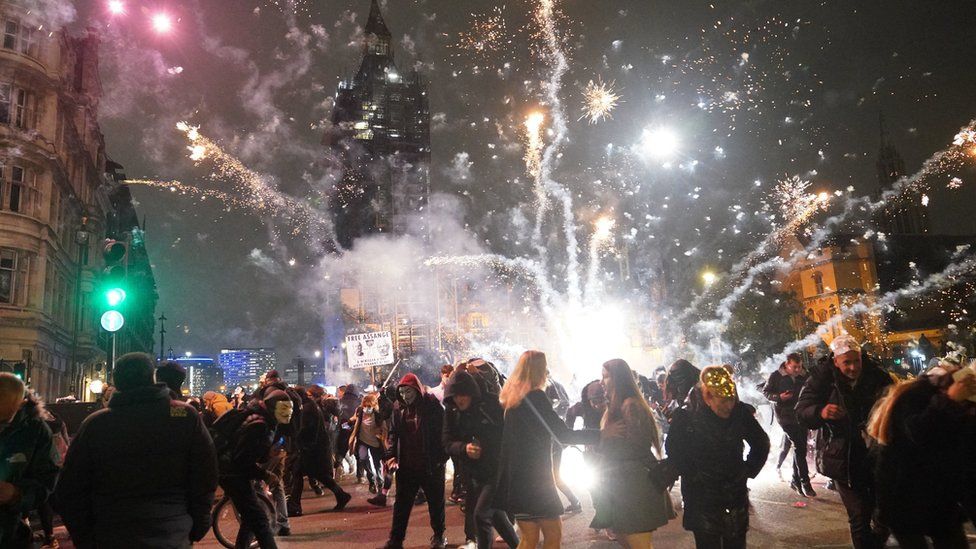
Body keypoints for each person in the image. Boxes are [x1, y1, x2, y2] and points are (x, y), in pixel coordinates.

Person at [56, 353, 217, 549]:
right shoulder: (184, 415)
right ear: (152, 377)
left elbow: (70, 488)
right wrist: (197, 524)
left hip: (111, 532)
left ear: (117, 381)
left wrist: (85, 536)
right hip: (173, 531)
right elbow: (205, 474)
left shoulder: (97, 424)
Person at [493, 350, 600, 549]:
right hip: (536, 479)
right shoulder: (535, 397)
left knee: (529, 538)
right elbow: (562, 434)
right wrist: (602, 434)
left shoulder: (512, 399)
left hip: (516, 479)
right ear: (539, 371)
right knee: (553, 534)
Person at [866, 361, 976, 548]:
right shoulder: (913, 399)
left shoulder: (960, 408)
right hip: (903, 503)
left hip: (940, 502)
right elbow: (918, 433)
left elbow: (966, 466)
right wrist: (949, 402)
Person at [796, 335, 892, 549]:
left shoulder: (876, 375)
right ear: (835, 361)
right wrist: (821, 411)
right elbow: (802, 410)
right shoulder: (822, 378)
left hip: (876, 454)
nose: (852, 367)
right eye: (846, 362)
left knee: (885, 512)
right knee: (859, 515)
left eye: (856, 361)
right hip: (843, 456)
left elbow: (895, 401)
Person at [666, 365, 770, 549]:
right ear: (707, 397)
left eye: (730, 400)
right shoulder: (685, 417)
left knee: (736, 543)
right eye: (722, 401)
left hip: (734, 494)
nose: (728, 406)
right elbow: (674, 451)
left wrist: (747, 470)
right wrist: (694, 473)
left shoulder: (739, 413)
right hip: (701, 497)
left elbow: (761, 443)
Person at [591, 359, 672, 548]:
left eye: (606, 376)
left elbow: (638, 446)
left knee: (638, 544)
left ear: (618, 379)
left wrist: (604, 442)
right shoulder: (616, 406)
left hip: (635, 486)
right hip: (621, 486)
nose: (602, 382)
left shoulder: (631, 405)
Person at [443, 369, 520, 549]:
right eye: (455, 395)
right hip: (473, 473)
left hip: (497, 469)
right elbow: (446, 442)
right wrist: (464, 448)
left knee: (481, 515)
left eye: (462, 394)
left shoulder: (491, 404)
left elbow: (507, 433)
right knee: (496, 516)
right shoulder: (451, 411)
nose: (459, 399)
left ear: (471, 392)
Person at [211, 388, 295, 549]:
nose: (288, 414)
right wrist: (265, 474)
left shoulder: (261, 419)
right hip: (233, 474)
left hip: (230, 471)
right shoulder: (259, 425)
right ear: (274, 408)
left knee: (252, 519)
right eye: (284, 409)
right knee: (260, 521)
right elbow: (242, 460)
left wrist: (267, 455)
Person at [382, 373, 448, 549]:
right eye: (401, 392)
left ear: (417, 390)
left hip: (430, 465)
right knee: (401, 504)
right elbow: (393, 434)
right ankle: (396, 539)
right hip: (406, 465)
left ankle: (439, 536)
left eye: (408, 392)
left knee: (436, 503)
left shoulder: (433, 406)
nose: (404, 396)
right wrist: (391, 456)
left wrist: (441, 458)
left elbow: (444, 433)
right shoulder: (398, 408)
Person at [0, 374, 58, 548]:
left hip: (8, 532)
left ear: (21, 405)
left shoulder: (36, 432)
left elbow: (46, 480)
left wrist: (16, 493)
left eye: (3, 421)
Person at [287, 387, 351, 517]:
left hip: (310, 449)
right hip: (315, 448)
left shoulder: (307, 409)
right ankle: (341, 495)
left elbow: (306, 430)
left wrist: (299, 442)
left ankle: (294, 506)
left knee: (298, 473)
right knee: (319, 475)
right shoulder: (311, 406)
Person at [762, 353, 814, 497]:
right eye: (794, 367)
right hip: (785, 417)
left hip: (801, 415)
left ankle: (795, 480)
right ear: (787, 365)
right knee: (799, 446)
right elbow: (765, 392)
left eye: (799, 366)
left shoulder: (805, 375)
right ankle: (805, 481)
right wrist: (779, 397)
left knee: (800, 448)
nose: (797, 370)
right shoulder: (776, 376)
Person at [349, 392, 392, 504]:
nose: (366, 408)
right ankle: (371, 479)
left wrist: (382, 436)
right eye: (365, 406)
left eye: (369, 406)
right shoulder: (359, 412)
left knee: (377, 463)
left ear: (374, 406)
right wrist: (348, 422)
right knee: (362, 459)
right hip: (363, 441)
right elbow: (354, 419)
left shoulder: (378, 416)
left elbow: (384, 429)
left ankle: (379, 482)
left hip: (375, 443)